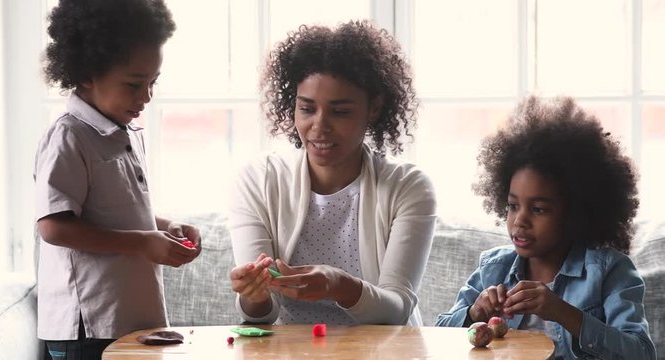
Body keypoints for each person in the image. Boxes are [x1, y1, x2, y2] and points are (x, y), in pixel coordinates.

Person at [228, 20, 437, 326]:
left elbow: (397, 309)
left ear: (374, 108)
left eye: (340, 112)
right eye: (307, 109)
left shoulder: (408, 187)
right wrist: (253, 294)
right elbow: (263, 312)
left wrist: (340, 286)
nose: (320, 126)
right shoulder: (257, 182)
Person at [34, 0, 201, 358]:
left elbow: (116, 210)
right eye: (133, 85)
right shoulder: (69, 137)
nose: (146, 97)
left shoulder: (123, 131)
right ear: (87, 74)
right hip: (87, 328)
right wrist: (143, 243)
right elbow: (53, 228)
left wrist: (166, 226)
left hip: (128, 320)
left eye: (153, 83)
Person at [435, 96, 656, 359]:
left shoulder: (609, 272)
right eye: (513, 206)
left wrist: (562, 312)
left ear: (576, 212)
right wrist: (474, 313)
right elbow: (437, 338)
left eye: (538, 209)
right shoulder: (493, 269)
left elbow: (640, 353)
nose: (520, 220)